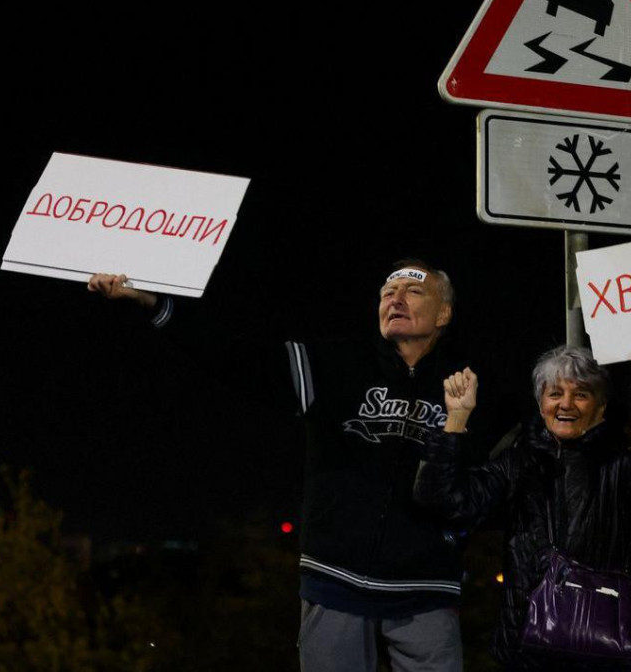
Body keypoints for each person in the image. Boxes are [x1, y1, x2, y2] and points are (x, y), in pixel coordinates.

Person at [88, 261, 510, 672]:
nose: (395, 299)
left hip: (426, 591)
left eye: (413, 291)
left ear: (444, 313)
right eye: (387, 292)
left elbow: (502, 474)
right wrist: (157, 304)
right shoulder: (336, 364)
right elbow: (236, 358)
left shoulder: (472, 385)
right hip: (335, 585)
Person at [414, 342, 631, 669]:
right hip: (528, 650)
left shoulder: (620, 467)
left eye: (581, 394)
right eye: (554, 394)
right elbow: (442, 501)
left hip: (603, 648)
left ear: (601, 408)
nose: (565, 404)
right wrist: (456, 418)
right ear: (541, 404)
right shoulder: (518, 462)